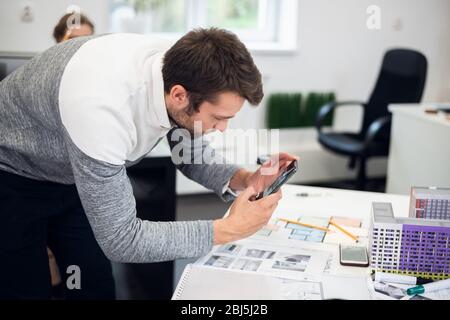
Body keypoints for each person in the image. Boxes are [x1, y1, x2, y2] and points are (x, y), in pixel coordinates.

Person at [0, 28, 296, 299]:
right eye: (218, 118)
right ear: (179, 95)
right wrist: (229, 228)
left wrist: (245, 179)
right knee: (25, 289)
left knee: (93, 286)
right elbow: (122, 238)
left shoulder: (181, 68)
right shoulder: (101, 107)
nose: (222, 129)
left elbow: (189, 154)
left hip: (75, 175)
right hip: (12, 172)